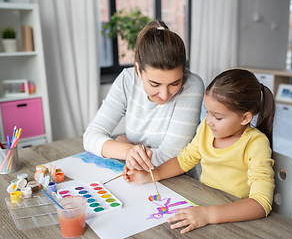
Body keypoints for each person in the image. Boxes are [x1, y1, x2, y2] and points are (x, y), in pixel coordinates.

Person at [123, 69, 276, 234]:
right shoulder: (206, 130)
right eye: (207, 112)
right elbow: (183, 161)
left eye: (217, 117)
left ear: (245, 118)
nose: (208, 121)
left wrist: (209, 214)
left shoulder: (256, 144)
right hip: (204, 207)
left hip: (234, 220)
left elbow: (261, 203)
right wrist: (150, 175)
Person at [83, 21, 204, 172]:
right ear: (138, 70)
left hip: (178, 183)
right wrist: (128, 151)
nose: (165, 94)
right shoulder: (127, 80)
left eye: (174, 83)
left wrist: (128, 149)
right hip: (135, 175)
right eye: (154, 84)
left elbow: (173, 158)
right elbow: (90, 137)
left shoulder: (192, 85)